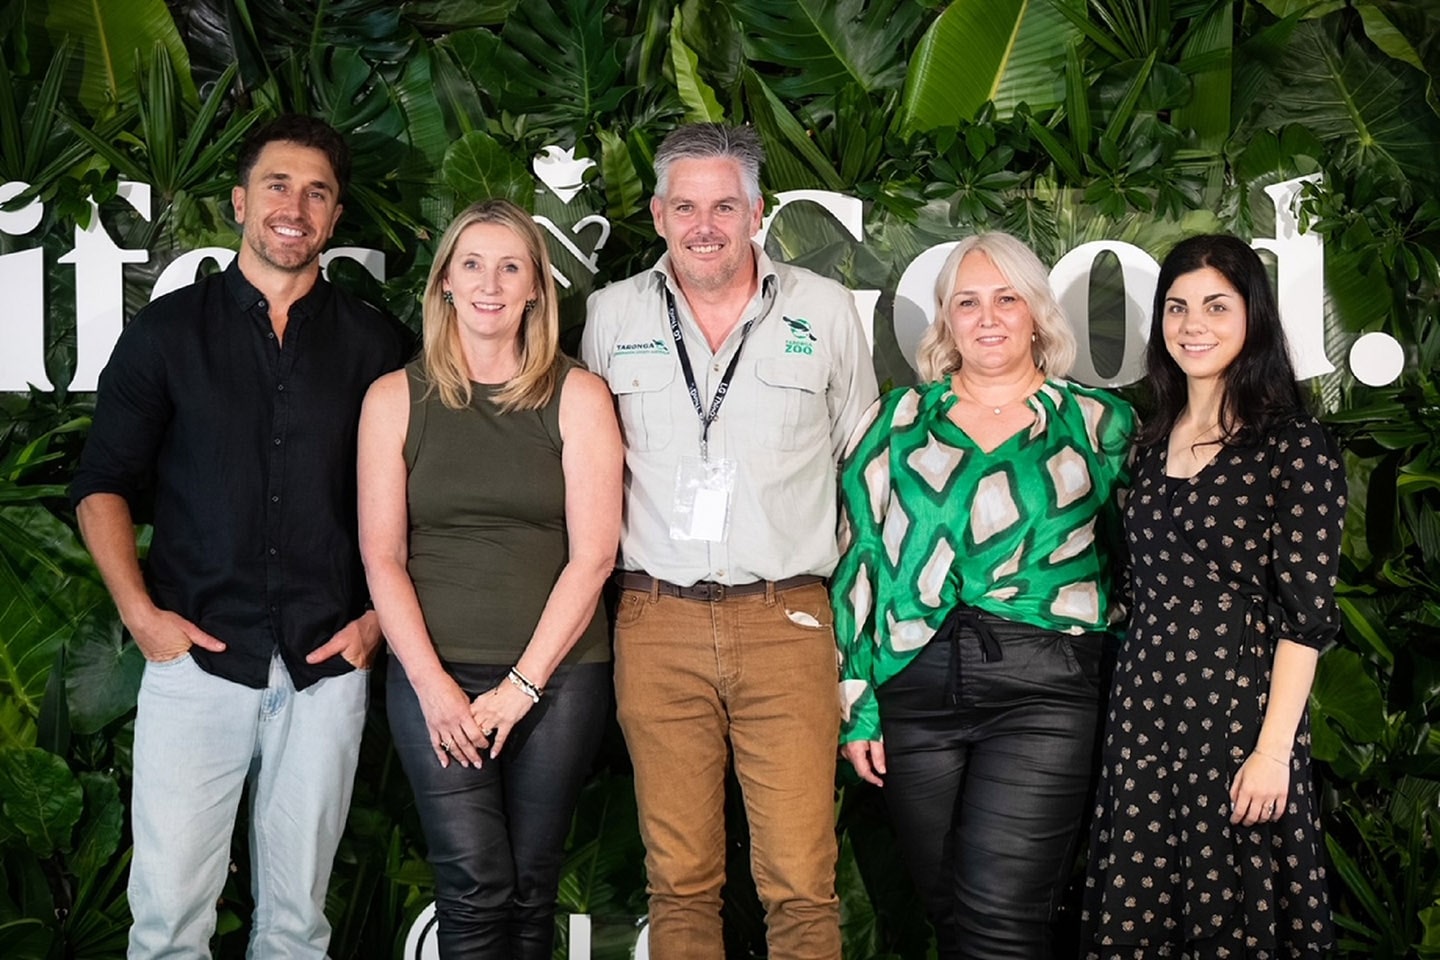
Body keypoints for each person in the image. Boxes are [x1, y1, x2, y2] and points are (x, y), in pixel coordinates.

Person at [70, 115, 412, 957]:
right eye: (277, 185)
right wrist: (143, 618)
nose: (294, 207)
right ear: (239, 202)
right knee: (169, 922)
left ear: (334, 220)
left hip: (328, 663)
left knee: (297, 927)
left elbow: (422, 501)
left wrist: (375, 624)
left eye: (317, 192)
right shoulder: (166, 333)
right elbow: (100, 486)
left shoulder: (378, 345)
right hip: (195, 662)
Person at [580, 122, 878, 959]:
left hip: (787, 622)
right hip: (656, 621)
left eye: (723, 205)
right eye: (685, 207)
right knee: (678, 884)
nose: (703, 224)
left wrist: (845, 627)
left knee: (801, 887)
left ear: (757, 212)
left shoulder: (822, 311)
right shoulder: (610, 317)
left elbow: (861, 471)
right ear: (657, 213)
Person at [831, 231, 1134, 958]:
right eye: (968, 301)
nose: (988, 316)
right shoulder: (898, 423)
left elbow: (1137, 564)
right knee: (952, 912)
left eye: (1007, 299)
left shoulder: (1098, 423)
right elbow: (859, 560)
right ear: (945, 321)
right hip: (914, 689)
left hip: (1046, 689)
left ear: (1036, 313)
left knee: (1002, 916)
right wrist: (857, 698)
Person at [357, 198, 622, 959]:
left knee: (532, 886)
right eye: (472, 264)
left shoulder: (577, 395)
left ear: (538, 287)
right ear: (443, 283)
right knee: (473, 882)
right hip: (432, 676)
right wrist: (434, 686)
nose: (491, 284)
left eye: (512, 267)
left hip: (559, 678)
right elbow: (383, 557)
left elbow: (594, 555)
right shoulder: (392, 399)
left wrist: (523, 686)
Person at [1083, 234, 1342, 958]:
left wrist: (1273, 753)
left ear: (1253, 317)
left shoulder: (1295, 447)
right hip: (1143, 721)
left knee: (1238, 921)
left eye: (1215, 306)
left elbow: (1306, 619)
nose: (1193, 324)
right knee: (1138, 919)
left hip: (1239, 723)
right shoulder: (1147, 444)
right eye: (1177, 307)